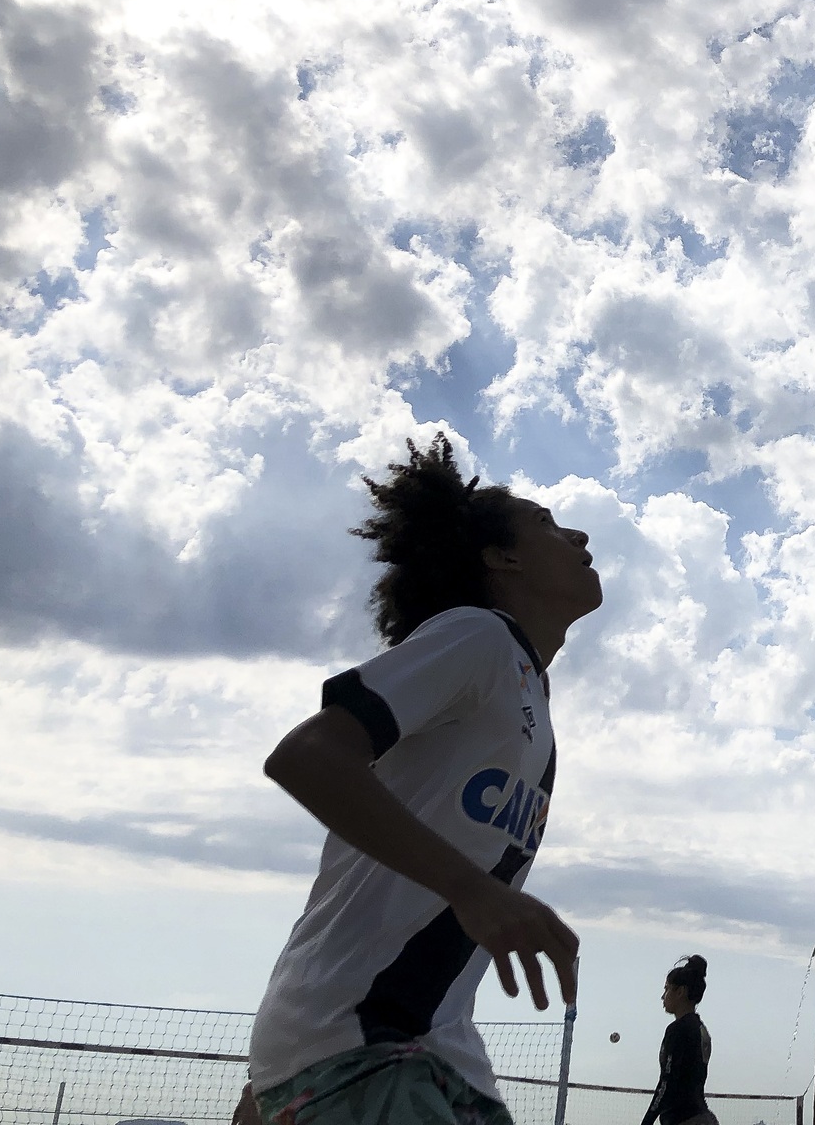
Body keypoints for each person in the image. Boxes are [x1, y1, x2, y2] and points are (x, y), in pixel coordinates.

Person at [246, 435, 602, 1125]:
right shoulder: (480, 636)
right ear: (502, 558)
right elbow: (306, 755)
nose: (578, 535)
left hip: (435, 1044)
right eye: (546, 523)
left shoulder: (528, 690)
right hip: (363, 1037)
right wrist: (473, 889)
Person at [640, 956, 716, 1125]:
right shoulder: (701, 1030)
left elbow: (667, 1082)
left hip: (684, 1118)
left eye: (667, 989)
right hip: (702, 1116)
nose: (663, 996)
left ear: (680, 992)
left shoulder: (678, 1030)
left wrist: (647, 1121)